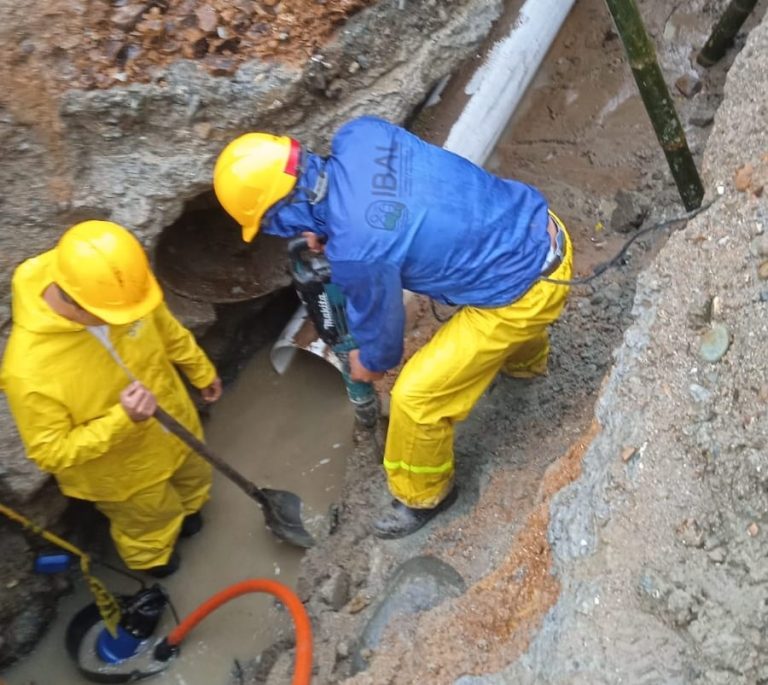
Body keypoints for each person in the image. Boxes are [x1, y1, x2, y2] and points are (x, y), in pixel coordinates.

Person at [213, 116, 572, 539]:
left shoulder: (357, 253)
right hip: (538, 228)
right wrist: (335, 224)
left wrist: (361, 363)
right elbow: (388, 201)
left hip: (524, 294)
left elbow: (382, 353)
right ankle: (526, 369)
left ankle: (425, 496)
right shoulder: (361, 134)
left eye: (272, 223)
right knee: (492, 303)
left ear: (281, 211)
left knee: (415, 400)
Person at [1, 220, 222, 576]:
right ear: (76, 304)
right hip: (124, 474)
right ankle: (157, 561)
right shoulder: (30, 371)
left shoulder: (116, 289)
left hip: (176, 422)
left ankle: (191, 513)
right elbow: (51, 451)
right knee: (151, 521)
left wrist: (200, 370)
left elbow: (165, 328)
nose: (131, 317)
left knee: (194, 478)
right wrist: (123, 421)